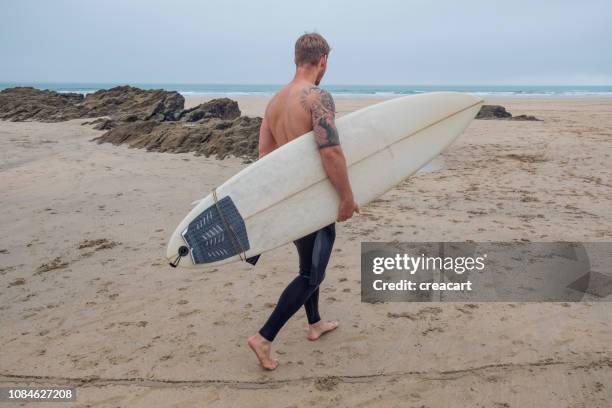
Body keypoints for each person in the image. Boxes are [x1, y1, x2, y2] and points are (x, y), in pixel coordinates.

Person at [248, 32, 359, 370]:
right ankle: (264, 338)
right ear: (323, 61)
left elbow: (264, 156)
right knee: (312, 275)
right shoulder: (317, 97)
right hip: (314, 201)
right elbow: (332, 152)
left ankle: (314, 324)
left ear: (296, 58)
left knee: (308, 266)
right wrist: (346, 197)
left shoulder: (275, 102)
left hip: (291, 199)